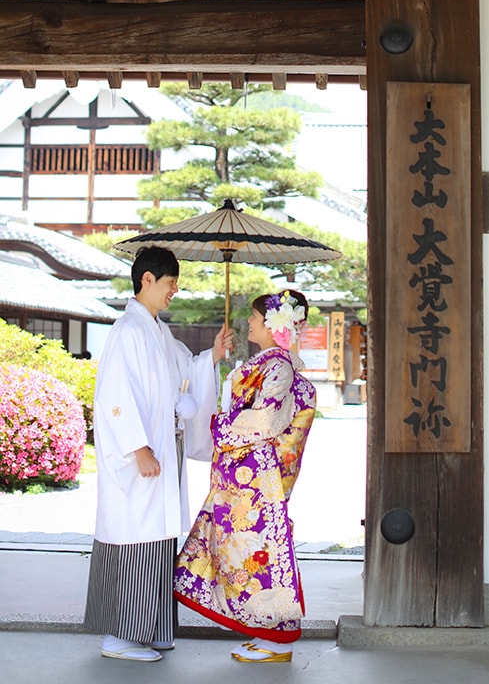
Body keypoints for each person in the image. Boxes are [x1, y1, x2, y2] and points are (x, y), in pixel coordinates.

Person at [84, 244, 234, 662]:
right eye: (170, 283)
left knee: (159, 540)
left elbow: (185, 371)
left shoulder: (157, 331)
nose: (174, 291)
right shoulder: (127, 331)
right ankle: (120, 636)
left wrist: (213, 357)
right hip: (140, 459)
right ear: (147, 280)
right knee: (136, 539)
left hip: (161, 453)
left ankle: (152, 628)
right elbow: (115, 397)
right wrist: (139, 448)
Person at [174, 289, 316, 664]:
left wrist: (220, 427)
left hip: (256, 483)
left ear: (273, 325)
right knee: (247, 551)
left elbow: (265, 420)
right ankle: (266, 631)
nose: (250, 323)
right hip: (245, 480)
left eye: (255, 318)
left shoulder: (279, 367)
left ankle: (278, 636)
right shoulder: (271, 363)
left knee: (261, 552)